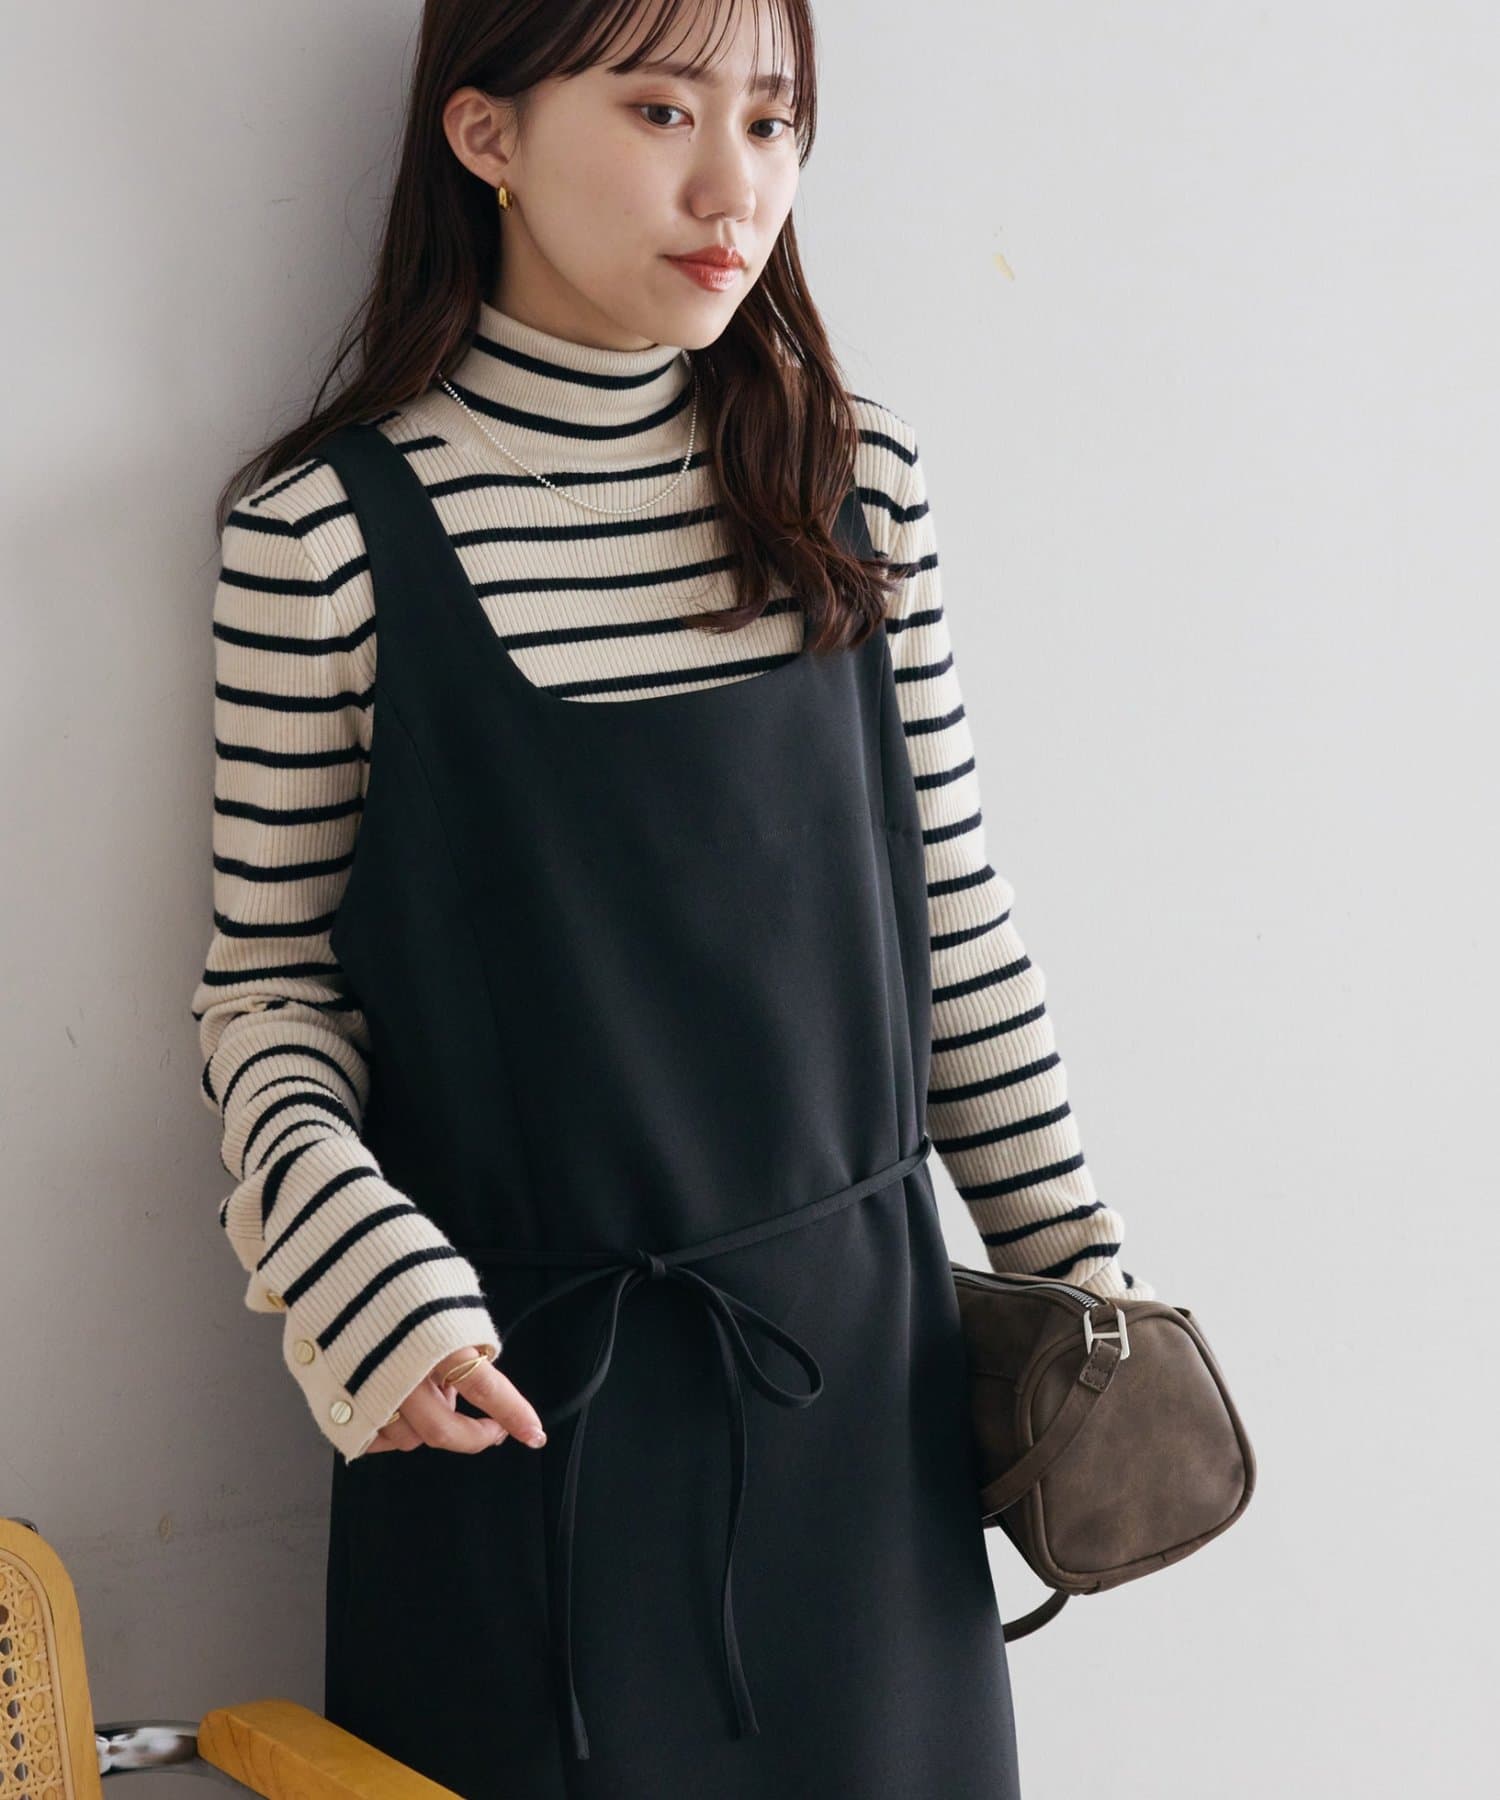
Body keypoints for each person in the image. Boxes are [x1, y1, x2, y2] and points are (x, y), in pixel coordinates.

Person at [190, 0, 1153, 1792]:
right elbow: (269, 996)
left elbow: (950, 923)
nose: (737, 187)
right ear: (485, 134)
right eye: (658, 110)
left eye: (775, 122)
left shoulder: (852, 481)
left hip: (864, 1413)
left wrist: (1087, 1288)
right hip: (505, 1415)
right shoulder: (321, 536)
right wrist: (356, 1269)